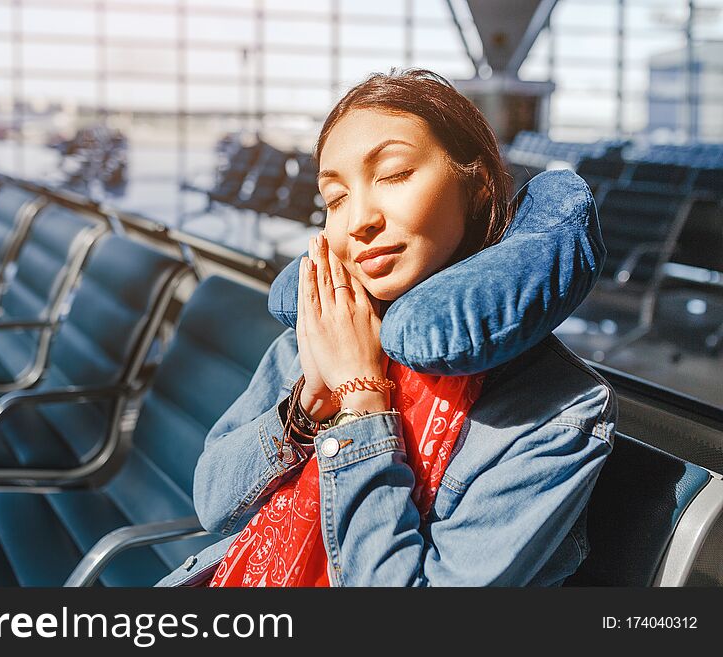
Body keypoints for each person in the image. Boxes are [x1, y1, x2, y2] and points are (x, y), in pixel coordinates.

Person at [156, 69, 615, 587]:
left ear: (478, 184)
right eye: (335, 198)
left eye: (394, 174)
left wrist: (362, 403)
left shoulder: (554, 410)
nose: (359, 220)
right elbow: (213, 502)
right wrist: (310, 402)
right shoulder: (319, 337)